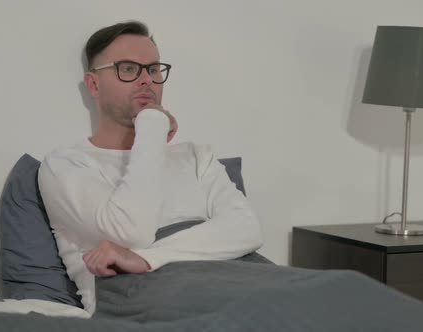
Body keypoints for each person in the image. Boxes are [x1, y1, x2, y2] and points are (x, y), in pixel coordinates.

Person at [38, 21, 264, 315]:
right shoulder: (66, 165)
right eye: (129, 69)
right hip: (144, 295)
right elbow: (132, 233)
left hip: (240, 276)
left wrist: (146, 258)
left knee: (333, 289)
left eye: (154, 69)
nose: (147, 80)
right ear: (93, 84)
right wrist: (152, 124)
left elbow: (247, 228)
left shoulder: (196, 155)